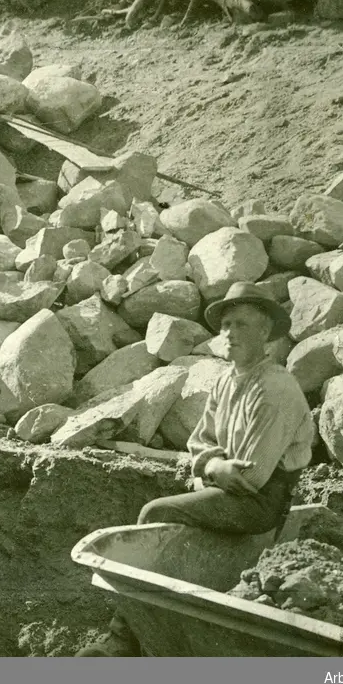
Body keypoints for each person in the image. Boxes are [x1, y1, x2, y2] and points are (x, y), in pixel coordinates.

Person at [76, 281, 314, 657]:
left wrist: (210, 467)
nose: (231, 334)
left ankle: (122, 639)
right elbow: (198, 442)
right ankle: (142, 629)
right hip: (229, 490)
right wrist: (216, 463)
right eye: (227, 325)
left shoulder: (275, 389)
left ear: (266, 331)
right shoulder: (225, 380)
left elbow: (251, 478)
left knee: (157, 511)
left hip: (262, 503)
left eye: (242, 325)